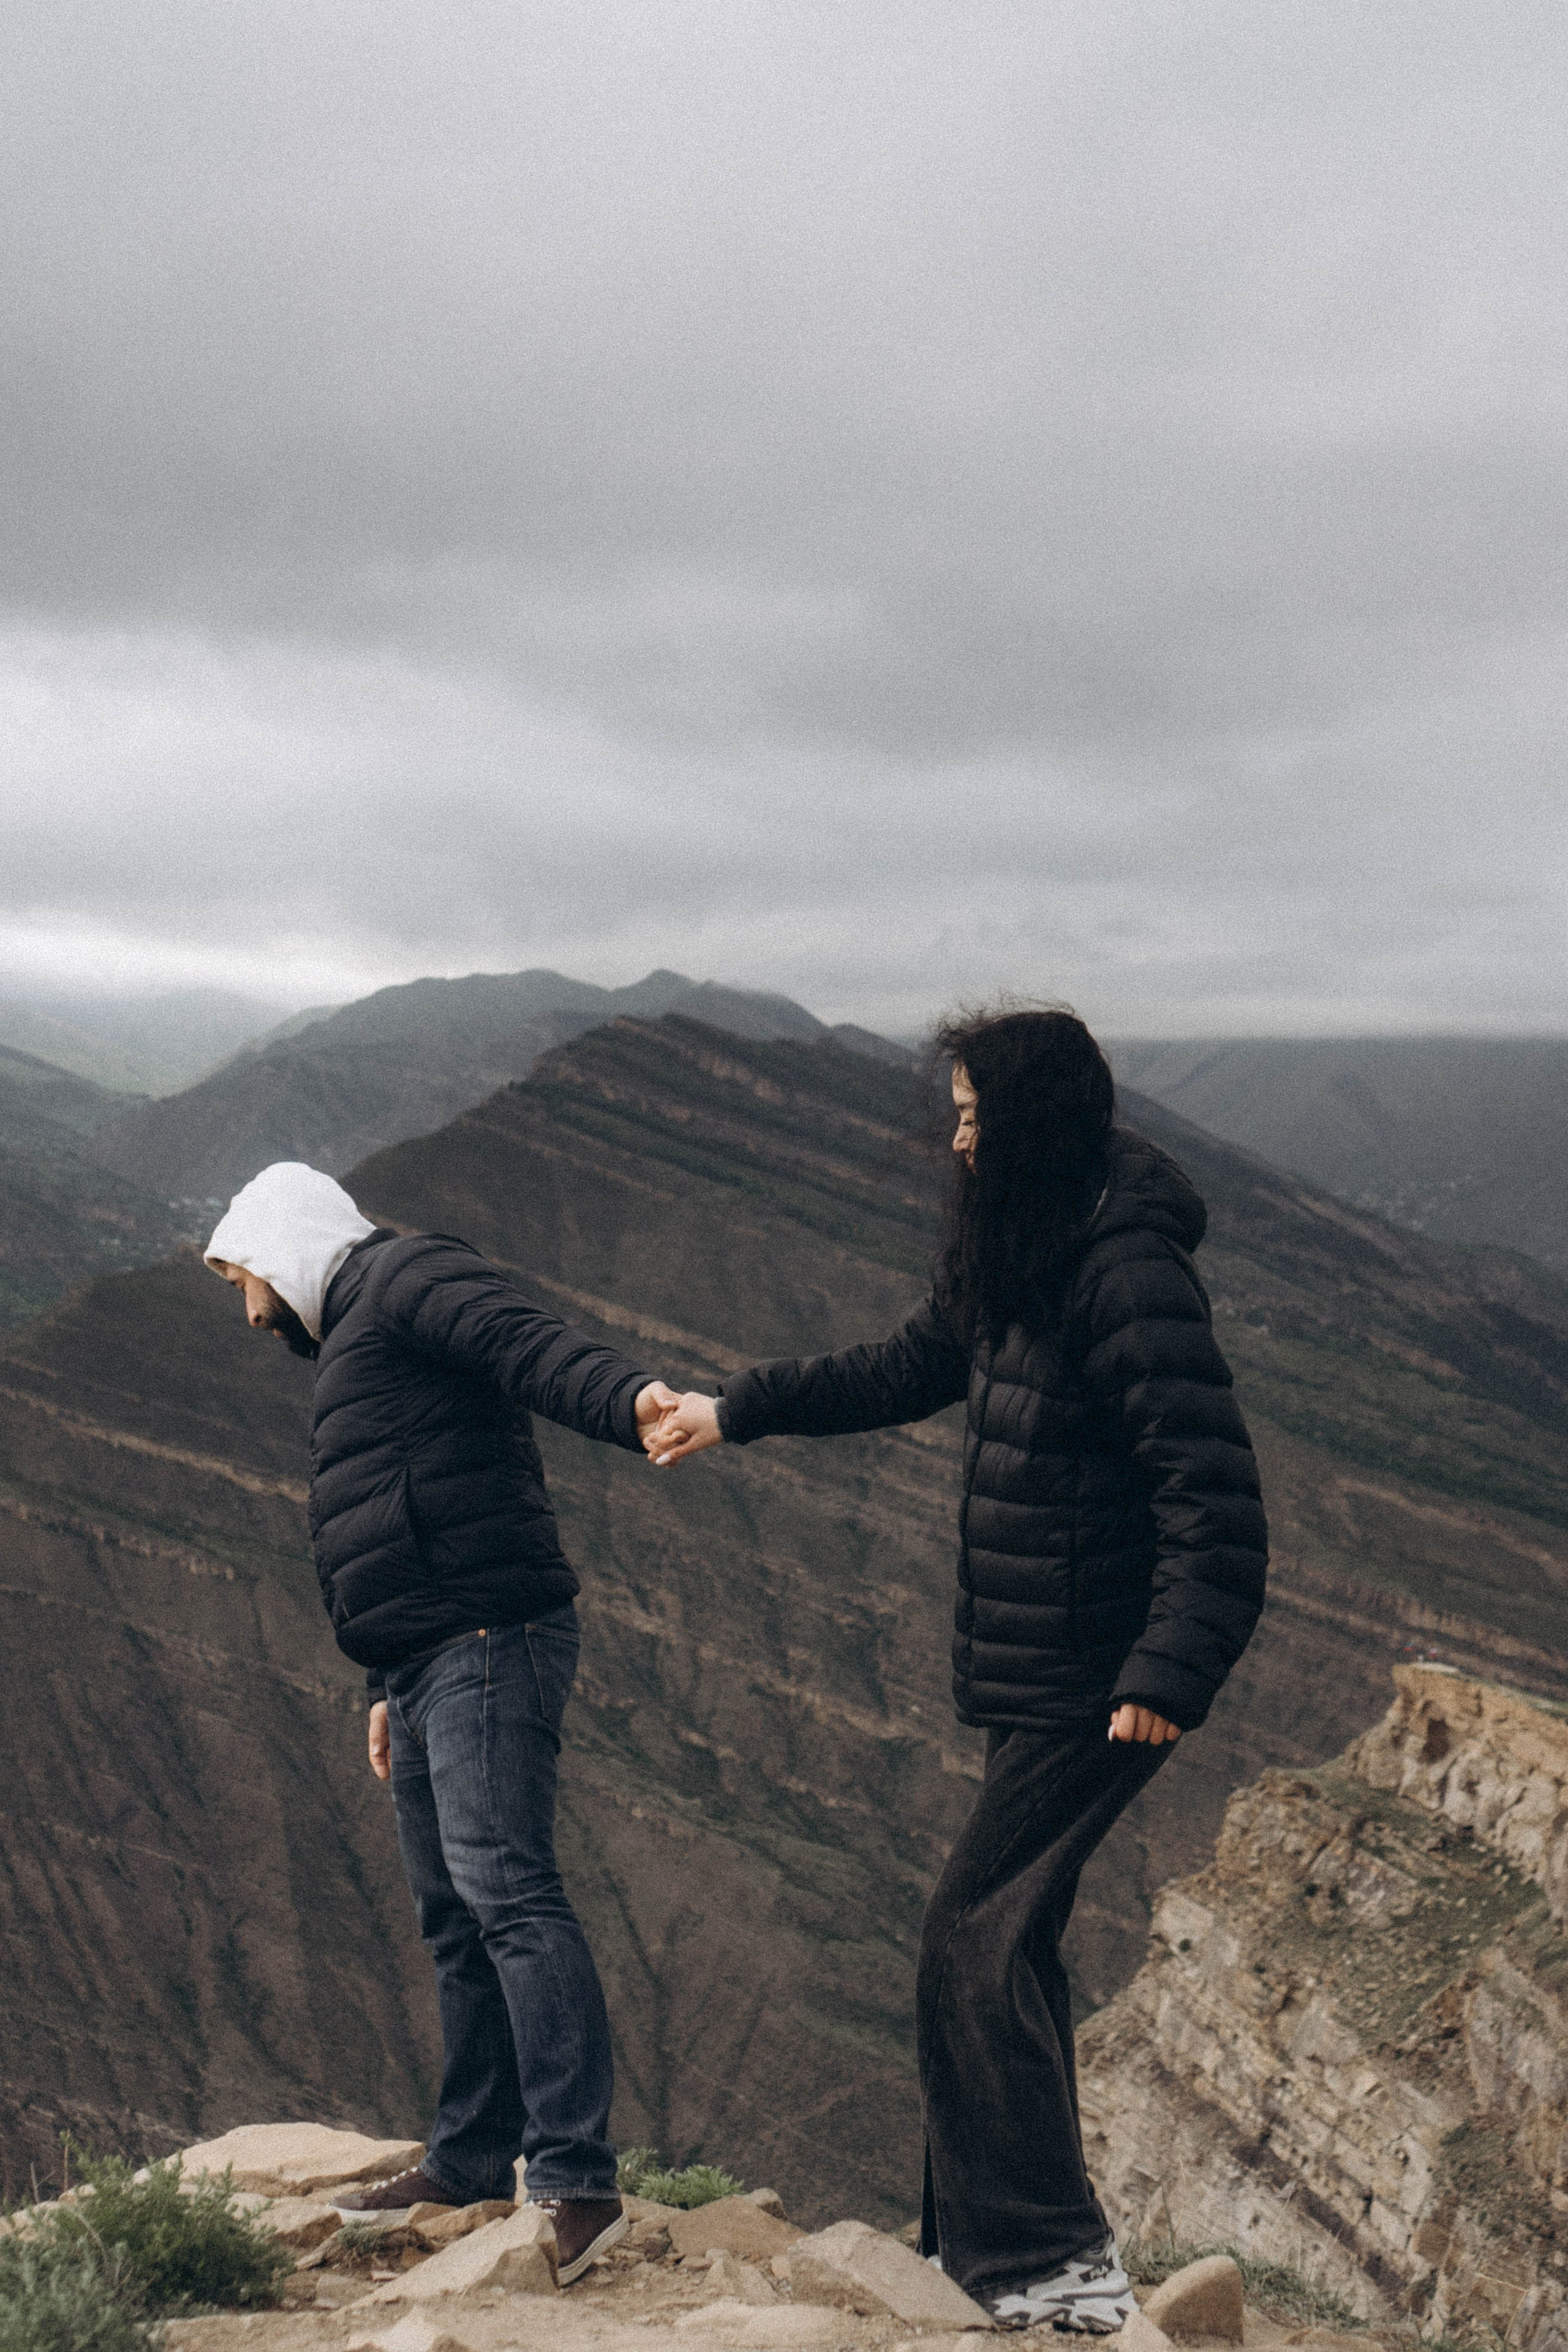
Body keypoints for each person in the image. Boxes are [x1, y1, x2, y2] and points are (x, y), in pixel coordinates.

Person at [647, 1008, 1268, 2331]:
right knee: (1010, 1946)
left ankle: (1048, 2268)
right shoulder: (1027, 1245)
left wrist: (1164, 1671)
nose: (959, 1138)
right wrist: (733, 1409)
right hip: (1038, 1661)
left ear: (1035, 1121)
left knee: (966, 1944)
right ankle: (994, 2255)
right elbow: (912, 1362)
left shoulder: (1122, 1270)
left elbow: (1215, 1506)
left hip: (1101, 1675)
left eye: (977, 1114)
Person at [206, 1161, 680, 2285]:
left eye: (242, 1278)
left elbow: (532, 1343)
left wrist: (631, 1401)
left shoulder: (409, 1277)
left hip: (486, 1643)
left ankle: (574, 2181)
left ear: (278, 1247)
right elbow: (396, 1511)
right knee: (455, 1920)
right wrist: (382, 1683)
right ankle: (469, 2159)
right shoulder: (360, 1333)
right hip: (425, 1663)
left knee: (510, 1896)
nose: (245, 1308)